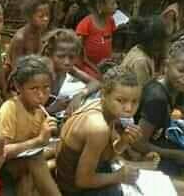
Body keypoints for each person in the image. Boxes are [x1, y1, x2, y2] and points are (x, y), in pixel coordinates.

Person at [55, 67, 143, 196]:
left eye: (134, 101)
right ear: (104, 94)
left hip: (79, 176)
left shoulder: (100, 106)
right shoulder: (98, 128)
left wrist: (124, 141)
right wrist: (118, 176)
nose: (129, 108)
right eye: (120, 100)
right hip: (74, 190)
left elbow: (106, 156)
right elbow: (83, 181)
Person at [0, 55, 61, 196]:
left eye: (46, 88)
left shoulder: (39, 111)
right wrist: (39, 140)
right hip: (2, 167)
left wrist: (47, 137)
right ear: (19, 87)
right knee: (35, 160)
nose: (41, 95)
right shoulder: (10, 108)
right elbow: (1, 152)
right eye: (34, 89)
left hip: (23, 162)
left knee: (61, 147)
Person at [133, 38, 184, 175]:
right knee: (172, 171)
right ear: (166, 66)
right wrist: (175, 154)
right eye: (182, 70)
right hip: (138, 148)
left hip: (158, 137)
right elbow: (138, 143)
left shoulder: (176, 89)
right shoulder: (157, 98)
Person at [41, 29, 101, 114]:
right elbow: (26, 111)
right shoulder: (42, 74)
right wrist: (52, 109)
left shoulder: (67, 69)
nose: (67, 62)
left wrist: (80, 95)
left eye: (71, 57)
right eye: (61, 56)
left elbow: (95, 83)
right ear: (49, 54)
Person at [76, 0, 117, 78]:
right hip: (87, 67)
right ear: (100, 5)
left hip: (106, 65)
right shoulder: (85, 25)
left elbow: (112, 43)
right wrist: (95, 68)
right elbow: (78, 55)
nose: (116, 6)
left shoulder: (110, 21)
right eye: (113, 3)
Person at [7, 0, 52, 71]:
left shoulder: (38, 31)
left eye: (47, 15)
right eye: (41, 16)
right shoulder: (20, 39)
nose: (45, 19)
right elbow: (16, 68)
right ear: (29, 17)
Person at [121, 16, 168, 87]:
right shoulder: (141, 61)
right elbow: (143, 90)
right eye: (163, 41)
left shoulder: (139, 48)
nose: (164, 44)